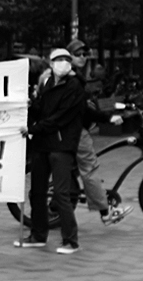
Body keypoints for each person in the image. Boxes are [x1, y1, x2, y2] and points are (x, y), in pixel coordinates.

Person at [15, 47, 85, 254]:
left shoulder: (75, 87)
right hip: (42, 145)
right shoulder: (47, 84)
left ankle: (70, 240)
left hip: (61, 146)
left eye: (66, 60)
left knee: (61, 194)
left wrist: (33, 129)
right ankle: (38, 235)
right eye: (58, 59)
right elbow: (42, 110)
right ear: (51, 63)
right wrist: (29, 106)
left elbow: (60, 118)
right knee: (36, 192)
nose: (62, 63)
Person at [67, 38, 131, 226]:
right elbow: (82, 109)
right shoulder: (73, 80)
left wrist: (115, 107)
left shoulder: (73, 77)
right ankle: (106, 213)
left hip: (73, 129)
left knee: (79, 170)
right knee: (90, 170)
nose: (82, 58)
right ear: (68, 56)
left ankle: (64, 199)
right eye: (77, 54)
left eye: (85, 54)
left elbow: (87, 105)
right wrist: (107, 118)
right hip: (76, 131)